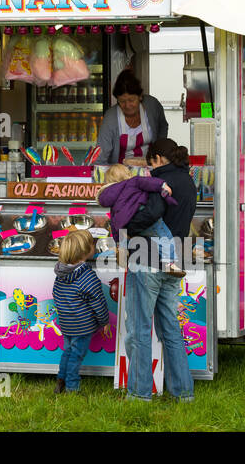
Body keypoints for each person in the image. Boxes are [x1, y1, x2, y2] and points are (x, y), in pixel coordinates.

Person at [122, 137, 197, 403]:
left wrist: (126, 225)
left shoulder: (158, 182)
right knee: (171, 330)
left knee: (141, 329)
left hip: (147, 257)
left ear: (156, 159)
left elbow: (151, 214)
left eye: (149, 163)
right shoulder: (189, 182)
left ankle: (139, 394)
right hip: (178, 259)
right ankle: (183, 393)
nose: (149, 169)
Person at [98, 163, 183, 277]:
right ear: (127, 174)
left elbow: (114, 221)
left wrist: (118, 241)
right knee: (165, 236)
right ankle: (170, 262)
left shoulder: (112, 198)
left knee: (124, 236)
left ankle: (123, 250)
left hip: (126, 226)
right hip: (143, 215)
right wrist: (163, 185)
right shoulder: (133, 182)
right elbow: (148, 183)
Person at [52, 229, 110, 395]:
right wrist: (104, 322)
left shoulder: (61, 273)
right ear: (86, 251)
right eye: (92, 244)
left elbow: (55, 294)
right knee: (76, 357)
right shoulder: (87, 277)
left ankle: (60, 380)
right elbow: (98, 303)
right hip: (82, 327)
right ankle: (72, 387)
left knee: (68, 352)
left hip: (67, 324)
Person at [94, 70, 168, 165]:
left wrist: (159, 154)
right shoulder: (110, 118)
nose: (127, 105)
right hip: (121, 173)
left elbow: (163, 126)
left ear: (140, 96)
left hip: (151, 168)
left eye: (131, 100)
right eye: (122, 101)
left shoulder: (152, 106)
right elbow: (100, 155)